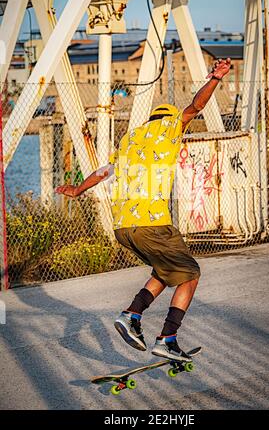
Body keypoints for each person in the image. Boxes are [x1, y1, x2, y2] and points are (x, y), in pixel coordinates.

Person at [56, 58, 231, 361]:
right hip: (153, 224)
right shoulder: (170, 127)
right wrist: (215, 78)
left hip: (124, 228)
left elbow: (103, 172)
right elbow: (195, 106)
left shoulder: (130, 140)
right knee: (190, 274)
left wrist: (76, 190)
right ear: (169, 120)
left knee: (165, 271)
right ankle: (167, 338)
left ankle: (132, 316)